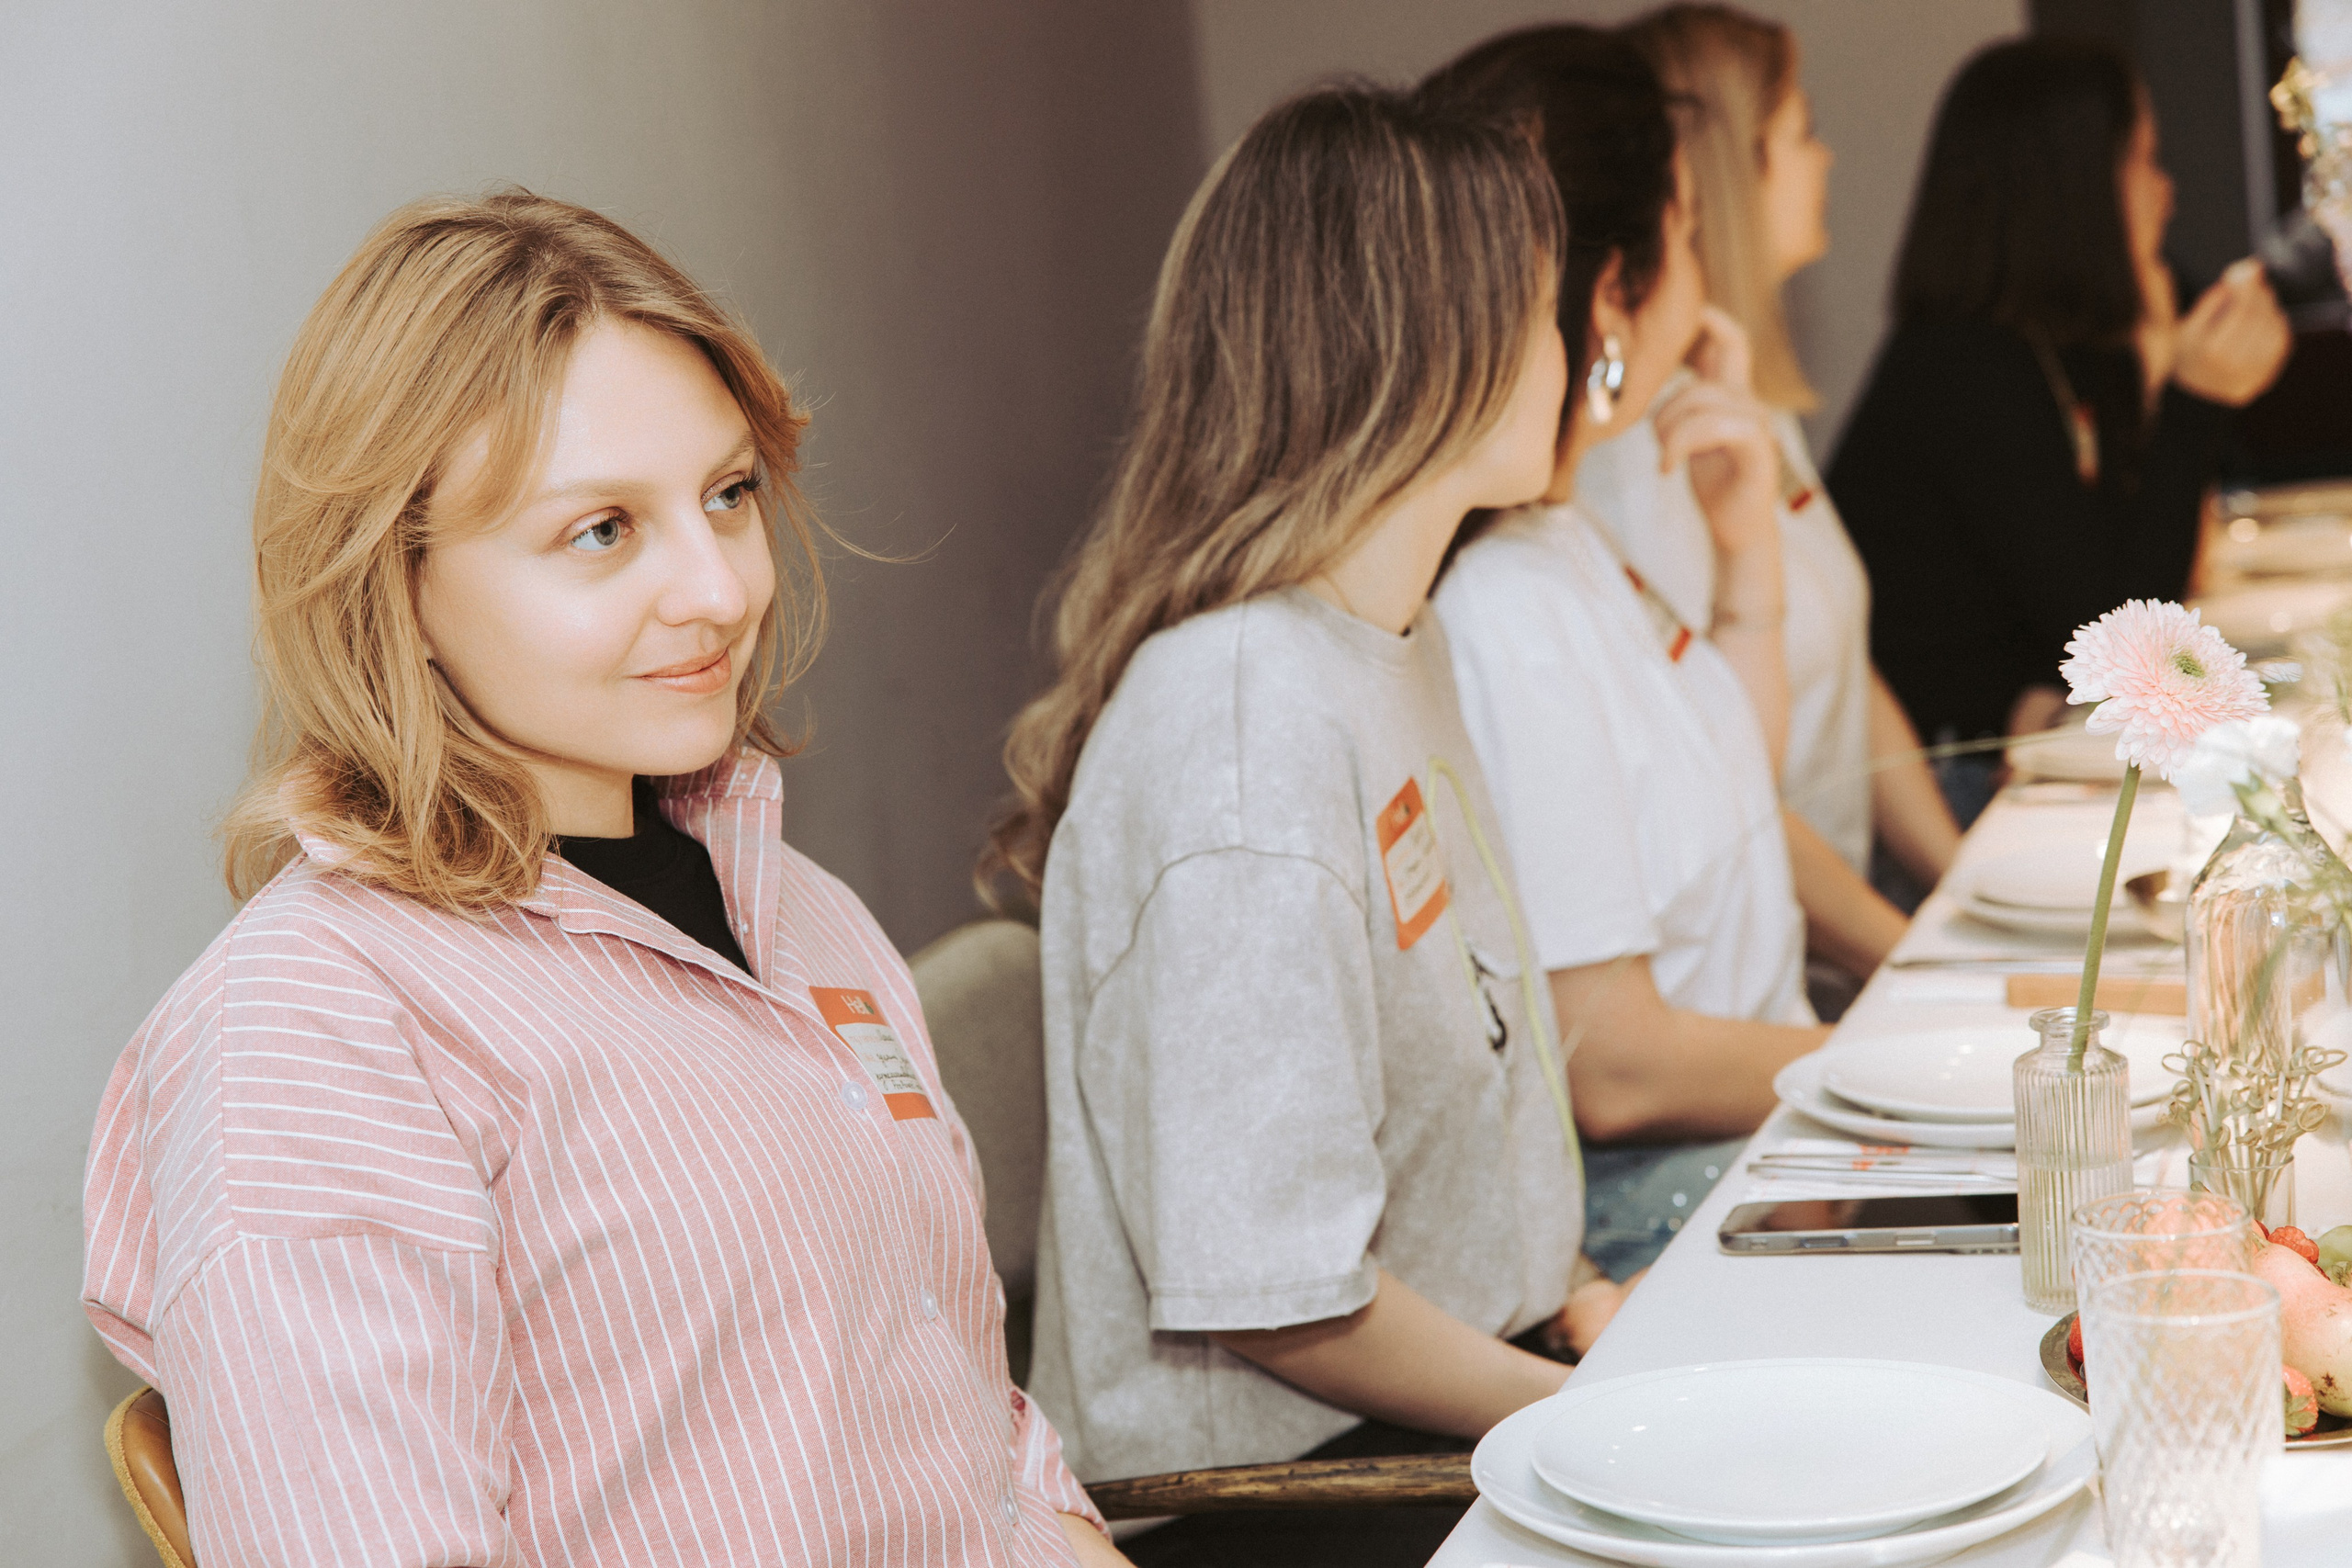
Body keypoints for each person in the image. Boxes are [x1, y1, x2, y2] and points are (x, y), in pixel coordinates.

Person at [81, 192, 1125, 1567]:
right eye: (601, 531)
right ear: (396, 585)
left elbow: (975, 1437)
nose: (720, 590)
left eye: (728, 496)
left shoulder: (801, 907)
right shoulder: (312, 1029)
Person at [988, 86, 1609, 1568]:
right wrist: (1585, 1410)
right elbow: (1281, 1291)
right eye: (1544, 309)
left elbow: (1471, 1085)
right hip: (1284, 1497)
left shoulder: (1386, 644)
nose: (1573, 350)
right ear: (1433, 349)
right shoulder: (1242, 728)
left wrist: (1581, 1297)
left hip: (1436, 1405)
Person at [1424, 27, 1874, 1280]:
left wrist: (1746, 551)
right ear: (1617, 287)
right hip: (1675, 1216)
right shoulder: (1510, 603)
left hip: (1756, 1156)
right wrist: (1889, 1059)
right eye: (1685, 224)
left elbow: (1729, 796)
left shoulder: (1559, 535)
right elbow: (1613, 1068)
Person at [1829, 35, 2290, 826]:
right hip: (1950, 787)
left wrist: (2157, 382)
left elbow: (2144, 573)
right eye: (2144, 161)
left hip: (2023, 752)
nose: (2167, 190)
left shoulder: (2060, 348)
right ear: (2073, 187)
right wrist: (2188, 402)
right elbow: (2126, 635)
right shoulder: (1963, 366)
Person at [1579, 2, 1961, 909]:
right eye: (1802, 132)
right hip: (1769, 950)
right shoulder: (1648, 448)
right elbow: (1727, 776)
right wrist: (1903, 946)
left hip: (1839, 924)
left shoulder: (1741, 393)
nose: (1825, 159)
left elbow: (1849, 671)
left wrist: (1957, 884)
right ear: (1729, 171)